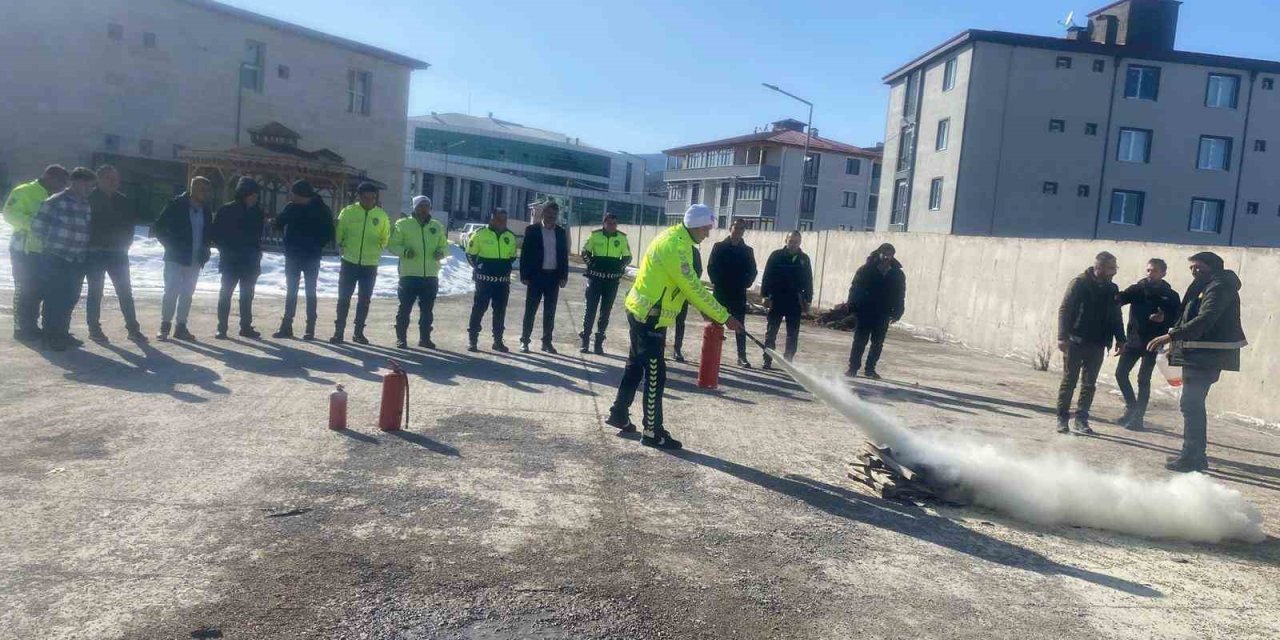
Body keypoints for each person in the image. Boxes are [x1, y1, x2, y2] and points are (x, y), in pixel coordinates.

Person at [606, 204, 742, 449]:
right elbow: (693, 287)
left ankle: (619, 414)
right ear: (695, 226)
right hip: (649, 316)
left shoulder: (675, 238)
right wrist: (724, 316)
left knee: (635, 365)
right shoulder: (676, 247)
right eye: (706, 228)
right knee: (656, 375)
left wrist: (710, 312)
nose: (708, 234)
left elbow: (687, 288)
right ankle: (652, 432)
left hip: (643, 311)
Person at [1148, 252, 1246, 473]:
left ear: (1213, 267)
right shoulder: (1205, 284)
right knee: (1191, 404)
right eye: (1191, 268)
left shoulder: (1219, 286)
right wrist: (1167, 319)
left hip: (1207, 355)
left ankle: (1193, 457)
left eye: (1198, 267)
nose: (1194, 271)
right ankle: (1193, 454)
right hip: (1198, 353)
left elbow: (1206, 318)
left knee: (1191, 404)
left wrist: (1170, 336)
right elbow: (1190, 313)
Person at [1055, 251, 1126, 435]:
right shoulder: (1080, 283)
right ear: (1099, 267)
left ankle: (1081, 419)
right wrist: (1062, 336)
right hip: (1076, 340)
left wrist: (1120, 339)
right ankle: (1062, 418)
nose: (1114, 271)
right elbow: (1065, 309)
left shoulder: (1112, 288)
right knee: (1069, 380)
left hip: (1098, 342)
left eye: (1115, 268)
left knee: (1089, 383)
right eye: (1111, 268)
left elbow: (1115, 315)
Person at [29, 167, 96, 351]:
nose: (90, 190)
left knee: (70, 298)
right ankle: (50, 336)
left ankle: (63, 333)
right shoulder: (55, 201)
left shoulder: (85, 204)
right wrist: (53, 244)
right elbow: (37, 227)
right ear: (76, 182)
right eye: (88, 186)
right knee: (54, 298)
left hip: (77, 260)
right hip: (56, 258)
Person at [4, 164, 70, 343]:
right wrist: (34, 225)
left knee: (40, 290)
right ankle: (22, 328)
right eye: (60, 182)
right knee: (25, 289)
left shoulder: (57, 195)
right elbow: (9, 214)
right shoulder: (25, 191)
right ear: (49, 176)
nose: (63, 187)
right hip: (23, 249)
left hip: (47, 250)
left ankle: (34, 326)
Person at [1114, 258, 1181, 431]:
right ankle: (1131, 406)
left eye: (1155, 271)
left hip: (1154, 343)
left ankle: (1138, 418)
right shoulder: (1138, 289)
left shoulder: (1171, 295)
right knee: (1121, 374)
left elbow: (1178, 319)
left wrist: (1163, 318)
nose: (1151, 274)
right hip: (1134, 340)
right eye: (1149, 270)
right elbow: (1120, 299)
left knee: (1143, 379)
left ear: (1164, 273)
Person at [84, 165, 147, 343]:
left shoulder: (123, 200)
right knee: (95, 291)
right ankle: (94, 328)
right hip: (95, 251)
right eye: (109, 178)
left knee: (125, 291)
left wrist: (127, 243)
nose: (114, 182)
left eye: (116, 179)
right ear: (99, 179)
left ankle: (133, 329)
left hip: (118, 253)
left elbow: (130, 225)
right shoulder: (90, 199)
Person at [154, 176, 215, 342]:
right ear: (192, 188)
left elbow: (208, 233)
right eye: (201, 189)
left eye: (207, 190)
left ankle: (181, 326)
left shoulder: (206, 210)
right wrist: (170, 245)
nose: (205, 193)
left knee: (187, 293)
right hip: (175, 257)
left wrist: (206, 249)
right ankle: (165, 324)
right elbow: (158, 228)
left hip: (195, 259)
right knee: (171, 291)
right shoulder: (176, 205)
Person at [271, 180, 333, 340]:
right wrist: (275, 222)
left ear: (302, 195)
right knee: (291, 291)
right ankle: (286, 326)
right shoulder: (291, 207)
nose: (291, 196)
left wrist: (317, 244)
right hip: (293, 256)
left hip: (311, 256)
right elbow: (279, 223)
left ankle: (310, 328)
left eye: (294, 194)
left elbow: (329, 233)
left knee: (310, 292)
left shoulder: (322, 209)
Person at [330, 182, 390, 345]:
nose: (370, 201)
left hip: (370, 264)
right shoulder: (348, 212)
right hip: (350, 262)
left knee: (364, 299)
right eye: (366, 198)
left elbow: (386, 237)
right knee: (344, 298)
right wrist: (344, 245)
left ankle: (359, 332)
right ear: (359, 197)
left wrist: (379, 246)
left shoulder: (381, 215)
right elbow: (339, 233)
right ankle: (339, 332)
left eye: (373, 198)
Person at [388, 195, 448, 349]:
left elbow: (444, 246)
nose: (424, 209)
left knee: (427, 311)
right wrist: (405, 251)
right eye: (421, 205)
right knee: (405, 308)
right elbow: (392, 245)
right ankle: (401, 338)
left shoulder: (436, 226)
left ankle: (425, 338)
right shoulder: (403, 224)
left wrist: (441, 252)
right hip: (409, 275)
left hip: (430, 275)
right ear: (414, 207)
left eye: (427, 206)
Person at [211, 177, 264, 340]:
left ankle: (246, 327)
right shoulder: (226, 210)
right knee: (225, 294)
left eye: (257, 195)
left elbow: (257, 236)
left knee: (247, 296)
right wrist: (226, 250)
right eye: (253, 194)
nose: (255, 198)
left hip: (250, 261)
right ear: (244, 194)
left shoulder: (257, 212)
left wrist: (256, 254)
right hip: (231, 260)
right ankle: (222, 328)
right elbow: (216, 234)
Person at [846, 243, 906, 379]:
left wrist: (898, 312)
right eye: (884, 253)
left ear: (892, 256)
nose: (886, 257)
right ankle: (853, 368)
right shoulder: (866, 269)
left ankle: (870, 369)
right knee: (860, 341)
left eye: (889, 254)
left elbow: (900, 294)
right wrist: (852, 306)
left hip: (883, 312)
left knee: (878, 342)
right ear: (878, 253)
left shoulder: (897, 274)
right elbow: (855, 288)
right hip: (865, 310)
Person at [466, 208, 519, 352]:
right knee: (479, 309)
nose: (502, 222)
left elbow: (512, 256)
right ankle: (473, 339)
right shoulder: (479, 234)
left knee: (500, 311)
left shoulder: (510, 236)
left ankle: (497, 341)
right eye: (498, 219)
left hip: (502, 282)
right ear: (491, 219)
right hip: (484, 281)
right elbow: (470, 255)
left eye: (504, 220)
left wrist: (504, 267)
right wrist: (480, 268)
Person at [519, 201, 569, 353]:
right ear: (543, 213)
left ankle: (546, 342)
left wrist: (564, 276)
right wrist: (524, 275)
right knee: (530, 310)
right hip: (536, 277)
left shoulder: (561, 232)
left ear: (557, 216)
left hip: (553, 277)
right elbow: (524, 254)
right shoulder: (532, 230)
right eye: (548, 214)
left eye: (554, 215)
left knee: (550, 312)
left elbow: (563, 256)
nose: (551, 217)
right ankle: (525, 341)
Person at [708, 218, 758, 368]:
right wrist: (718, 281)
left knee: (740, 325)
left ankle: (741, 357)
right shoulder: (719, 247)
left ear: (744, 232)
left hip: (738, 293)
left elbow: (752, 271)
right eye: (736, 228)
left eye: (741, 229)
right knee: (715, 324)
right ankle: (711, 355)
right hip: (721, 292)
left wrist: (745, 283)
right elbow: (711, 267)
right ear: (730, 229)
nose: (738, 231)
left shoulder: (748, 251)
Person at [579, 212, 631, 354]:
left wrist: (618, 269)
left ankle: (599, 343)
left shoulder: (621, 238)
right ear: (604, 223)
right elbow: (585, 253)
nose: (612, 226)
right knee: (590, 310)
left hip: (611, 281)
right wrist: (592, 265)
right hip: (595, 279)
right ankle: (585, 341)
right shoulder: (595, 235)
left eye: (614, 224)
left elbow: (627, 257)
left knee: (605, 312)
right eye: (609, 223)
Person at [760, 230, 813, 370]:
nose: (793, 244)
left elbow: (808, 280)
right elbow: (767, 276)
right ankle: (767, 360)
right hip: (777, 299)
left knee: (792, 334)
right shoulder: (776, 256)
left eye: (796, 241)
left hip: (795, 301)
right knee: (771, 332)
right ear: (786, 241)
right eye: (791, 241)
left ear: (800, 242)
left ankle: (787, 361)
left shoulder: (804, 259)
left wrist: (808, 300)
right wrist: (765, 295)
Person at [670, 246, 702, 363]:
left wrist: (689, 287)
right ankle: (658, 347)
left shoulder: (693, 251)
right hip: (667, 289)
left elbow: (698, 270)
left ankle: (677, 349)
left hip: (683, 292)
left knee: (680, 321)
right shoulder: (670, 247)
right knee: (661, 320)